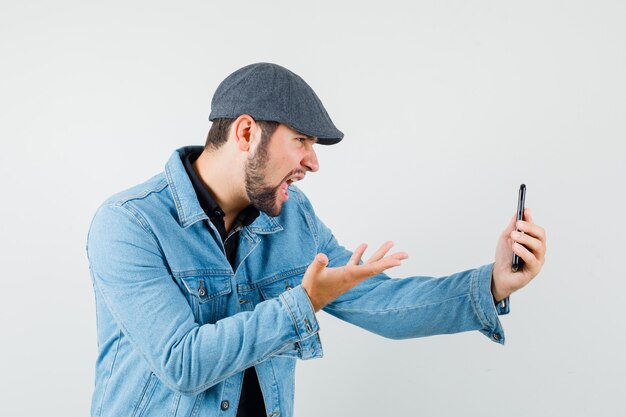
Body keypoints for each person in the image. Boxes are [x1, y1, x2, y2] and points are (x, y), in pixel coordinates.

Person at [86, 62, 547, 417]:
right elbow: (183, 362)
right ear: (247, 132)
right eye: (302, 140)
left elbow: (382, 303)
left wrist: (493, 284)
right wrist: (302, 304)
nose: (313, 162)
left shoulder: (292, 219)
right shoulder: (129, 224)